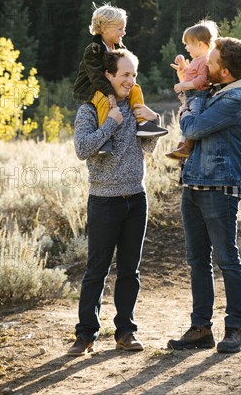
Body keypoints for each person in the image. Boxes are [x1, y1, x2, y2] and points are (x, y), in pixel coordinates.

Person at [68, 49, 161, 355]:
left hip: (136, 198)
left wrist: (154, 121)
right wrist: (110, 123)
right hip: (104, 201)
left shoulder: (136, 106)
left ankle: (126, 332)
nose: (130, 80)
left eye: (134, 75)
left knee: (130, 271)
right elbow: (82, 149)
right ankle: (85, 335)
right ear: (109, 75)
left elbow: (148, 148)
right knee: (96, 270)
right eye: (125, 74)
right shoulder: (89, 111)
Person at [167, 37, 241, 354]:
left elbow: (190, 129)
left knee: (227, 259)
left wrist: (188, 97)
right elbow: (192, 121)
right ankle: (201, 328)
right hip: (193, 185)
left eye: (211, 63)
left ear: (226, 72)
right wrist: (190, 87)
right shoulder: (215, 90)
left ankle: (235, 330)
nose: (206, 65)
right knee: (197, 261)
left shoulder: (235, 99)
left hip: (219, 188)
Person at [73, 3, 167, 155]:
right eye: (119, 29)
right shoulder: (94, 49)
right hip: (91, 88)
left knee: (135, 88)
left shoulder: (117, 47)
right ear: (104, 28)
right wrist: (110, 93)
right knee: (104, 101)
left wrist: (154, 119)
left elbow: (148, 149)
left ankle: (142, 122)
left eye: (124, 28)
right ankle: (105, 141)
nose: (123, 33)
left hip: (107, 87)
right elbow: (96, 75)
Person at [166, 21, 218, 159]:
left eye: (187, 44)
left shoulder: (205, 61)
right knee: (185, 117)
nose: (186, 48)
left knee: (193, 119)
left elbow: (201, 81)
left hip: (198, 96)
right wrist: (183, 69)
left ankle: (187, 146)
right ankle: (181, 146)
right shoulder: (196, 60)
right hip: (191, 96)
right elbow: (189, 78)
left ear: (200, 44)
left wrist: (183, 86)